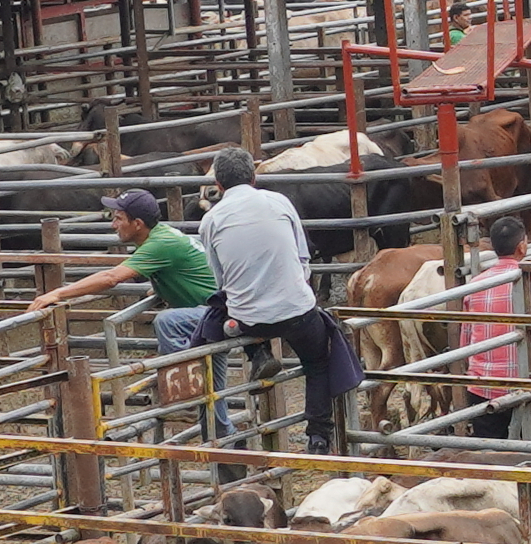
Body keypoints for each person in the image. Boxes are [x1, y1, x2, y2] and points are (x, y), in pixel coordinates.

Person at [201, 151, 359, 456]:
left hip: (249, 317)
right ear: (254, 177)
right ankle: (318, 435)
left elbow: (218, 279)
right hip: (296, 309)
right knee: (316, 362)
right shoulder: (279, 202)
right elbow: (303, 255)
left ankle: (257, 351)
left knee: (227, 315)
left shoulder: (211, 220)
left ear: (218, 184)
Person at [102, 187, 228, 443]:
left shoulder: (160, 244)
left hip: (216, 313)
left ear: (137, 224)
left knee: (168, 321)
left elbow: (111, 277)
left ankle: (183, 398)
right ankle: (229, 451)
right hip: (215, 313)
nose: (114, 224)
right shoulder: (164, 236)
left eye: (118, 218)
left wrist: (56, 295)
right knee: (212, 388)